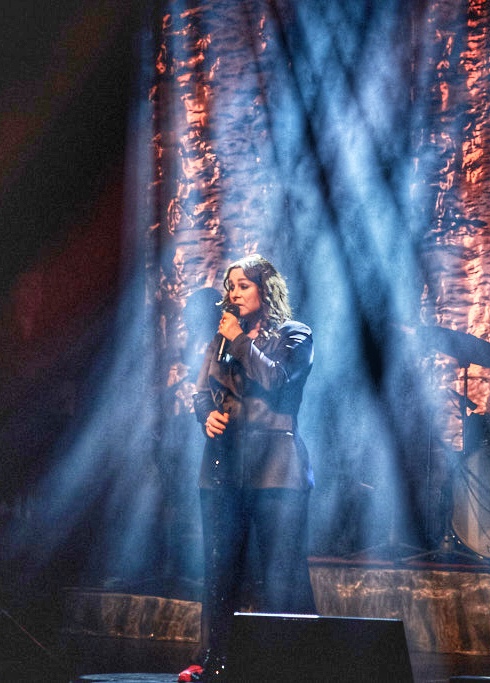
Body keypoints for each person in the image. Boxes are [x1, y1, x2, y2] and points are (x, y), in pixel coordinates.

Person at [179, 254, 316, 682]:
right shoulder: (221, 340)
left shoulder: (295, 335)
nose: (233, 294)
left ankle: (290, 666)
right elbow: (202, 391)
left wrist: (239, 340)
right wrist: (206, 415)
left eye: (243, 285)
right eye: (230, 287)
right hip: (223, 464)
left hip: (276, 468)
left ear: (265, 290)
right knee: (220, 568)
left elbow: (276, 380)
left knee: (281, 571)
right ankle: (215, 659)